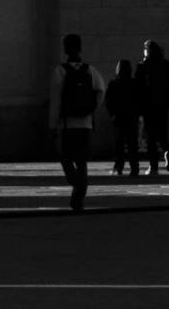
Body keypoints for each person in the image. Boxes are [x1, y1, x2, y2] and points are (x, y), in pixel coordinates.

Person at [49, 31, 105, 213]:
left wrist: (53, 124)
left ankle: (76, 185)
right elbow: (100, 90)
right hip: (85, 124)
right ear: (80, 48)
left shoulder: (60, 71)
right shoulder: (90, 70)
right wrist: (90, 109)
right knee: (82, 161)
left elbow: (56, 100)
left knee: (65, 158)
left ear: (66, 49)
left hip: (67, 124)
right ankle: (79, 196)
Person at [138, 37, 169, 174]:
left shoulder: (143, 66)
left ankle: (153, 166)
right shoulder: (167, 65)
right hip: (163, 103)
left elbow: (139, 87)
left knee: (151, 136)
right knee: (162, 132)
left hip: (148, 104)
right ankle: (167, 150)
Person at [105, 57, 141, 180]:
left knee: (119, 143)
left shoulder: (113, 83)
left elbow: (108, 101)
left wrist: (112, 114)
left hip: (119, 117)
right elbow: (139, 100)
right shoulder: (135, 83)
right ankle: (134, 168)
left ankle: (119, 167)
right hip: (131, 116)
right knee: (132, 143)